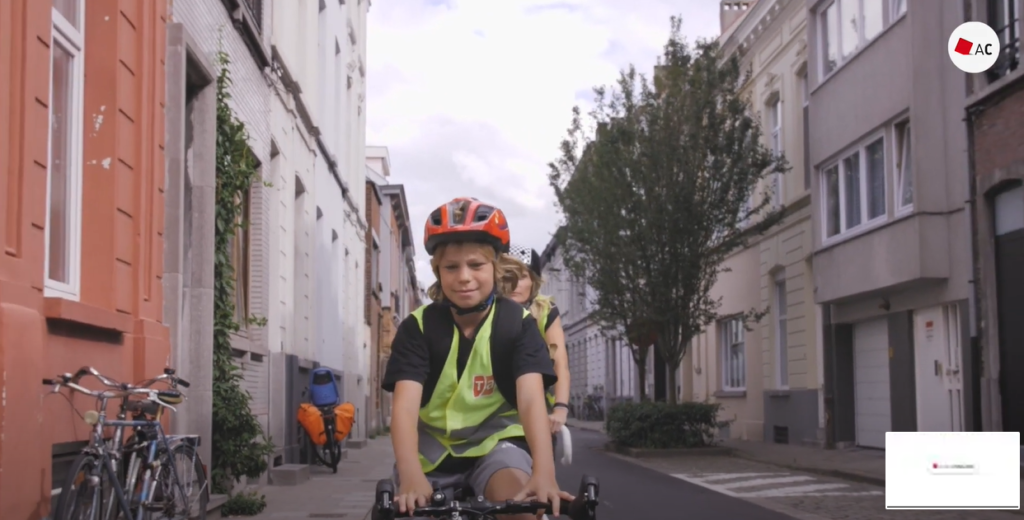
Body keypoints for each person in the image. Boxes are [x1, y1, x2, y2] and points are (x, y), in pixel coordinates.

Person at [381, 197, 573, 519]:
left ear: (496, 268)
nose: (464, 277)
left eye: (476, 265)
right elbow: (404, 407)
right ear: (437, 271)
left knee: (522, 508)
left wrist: (544, 472)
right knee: (411, 510)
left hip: (499, 442)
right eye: (451, 267)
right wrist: (410, 474)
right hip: (433, 448)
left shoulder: (518, 324)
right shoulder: (418, 327)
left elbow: (530, 400)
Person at [504, 244, 571, 434]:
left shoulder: (545, 311)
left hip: (537, 408)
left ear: (533, 281)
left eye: (522, 277)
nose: (514, 284)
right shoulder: (487, 310)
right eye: (508, 276)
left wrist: (560, 408)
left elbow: (559, 363)